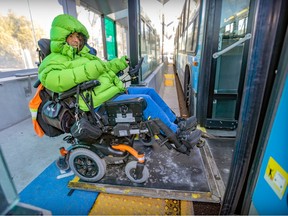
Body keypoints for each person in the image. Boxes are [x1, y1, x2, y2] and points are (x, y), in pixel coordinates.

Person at [38, 14, 201, 149]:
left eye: (78, 37)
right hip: (97, 103)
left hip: (112, 91)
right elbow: (55, 81)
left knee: (149, 92)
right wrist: (89, 70)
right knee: (143, 102)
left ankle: (176, 122)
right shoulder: (52, 61)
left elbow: (104, 67)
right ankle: (179, 137)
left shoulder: (84, 55)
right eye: (71, 36)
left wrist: (120, 63)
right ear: (61, 38)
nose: (76, 40)